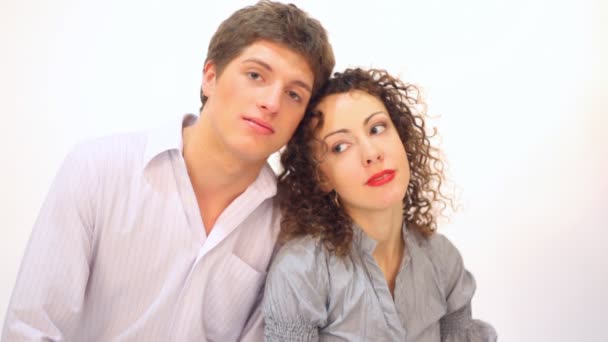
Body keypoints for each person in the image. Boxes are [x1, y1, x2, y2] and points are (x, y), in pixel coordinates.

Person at [2, 1, 334, 341]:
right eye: (255, 75)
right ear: (210, 77)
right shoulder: (97, 169)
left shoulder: (288, 225)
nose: (272, 102)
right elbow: (30, 330)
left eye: (294, 94)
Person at [263, 68, 497, 341]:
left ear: (402, 138)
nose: (371, 153)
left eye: (377, 128)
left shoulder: (443, 260)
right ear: (321, 176)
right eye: (340, 146)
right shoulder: (300, 272)